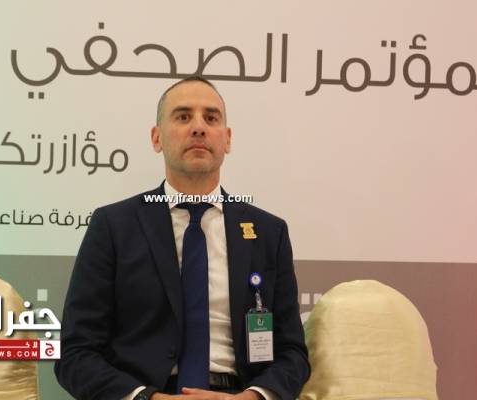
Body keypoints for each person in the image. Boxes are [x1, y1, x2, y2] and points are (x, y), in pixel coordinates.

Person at [54, 77, 310, 400]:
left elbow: (292, 353)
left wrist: (253, 397)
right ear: (156, 137)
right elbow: (76, 352)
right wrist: (146, 398)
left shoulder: (269, 233)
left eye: (211, 118)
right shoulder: (113, 227)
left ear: (227, 139)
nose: (199, 127)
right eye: (183, 116)